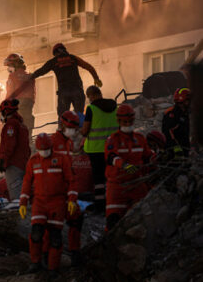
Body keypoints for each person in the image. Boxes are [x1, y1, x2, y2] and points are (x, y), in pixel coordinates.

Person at [19, 133, 77, 275]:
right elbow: (27, 182)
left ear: (51, 147)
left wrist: (72, 199)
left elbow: (71, 180)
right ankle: (35, 263)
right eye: (41, 150)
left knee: (55, 236)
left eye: (47, 149)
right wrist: (23, 202)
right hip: (39, 202)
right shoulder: (33, 161)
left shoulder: (61, 159)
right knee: (36, 233)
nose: (44, 152)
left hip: (57, 202)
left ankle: (53, 268)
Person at [104, 104, 154, 231]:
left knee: (143, 218)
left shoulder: (140, 139)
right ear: (119, 121)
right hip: (117, 186)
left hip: (137, 184)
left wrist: (158, 158)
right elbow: (111, 157)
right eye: (125, 122)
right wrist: (124, 165)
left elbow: (148, 157)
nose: (128, 124)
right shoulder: (112, 139)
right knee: (113, 222)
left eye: (130, 121)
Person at [31, 43, 102, 118]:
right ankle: (80, 128)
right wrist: (96, 78)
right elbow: (89, 67)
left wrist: (30, 77)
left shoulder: (53, 61)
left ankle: (62, 129)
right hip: (77, 90)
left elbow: (41, 71)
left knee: (63, 117)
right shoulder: (73, 58)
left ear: (55, 53)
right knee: (79, 115)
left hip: (63, 93)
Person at [51, 111, 84, 265]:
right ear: (62, 124)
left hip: (66, 190)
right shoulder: (51, 141)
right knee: (52, 230)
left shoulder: (69, 143)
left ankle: (74, 252)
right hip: (53, 192)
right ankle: (49, 261)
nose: (71, 131)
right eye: (69, 127)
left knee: (76, 219)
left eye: (74, 128)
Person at [81, 85, 118, 213]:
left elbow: (85, 131)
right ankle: (112, 202)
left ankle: (100, 205)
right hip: (112, 148)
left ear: (90, 96)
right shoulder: (114, 106)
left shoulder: (91, 109)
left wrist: (80, 132)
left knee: (98, 179)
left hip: (95, 150)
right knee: (111, 176)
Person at [0, 99, 31, 201]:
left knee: (16, 197)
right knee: (24, 194)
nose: (2, 115)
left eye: (2, 112)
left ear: (6, 111)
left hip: (13, 166)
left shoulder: (10, 125)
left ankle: (19, 216)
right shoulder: (22, 125)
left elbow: (9, 145)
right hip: (23, 164)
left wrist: (3, 160)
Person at [3, 53, 35, 131]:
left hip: (17, 103)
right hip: (29, 102)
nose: (9, 68)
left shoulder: (12, 76)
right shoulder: (29, 75)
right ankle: (29, 139)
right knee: (27, 122)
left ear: (16, 64)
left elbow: (10, 93)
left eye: (10, 65)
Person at [162, 88, 191, 158]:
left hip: (187, 150)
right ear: (182, 101)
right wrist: (176, 148)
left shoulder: (186, 113)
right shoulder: (172, 114)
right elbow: (167, 132)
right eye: (188, 100)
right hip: (175, 153)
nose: (190, 103)